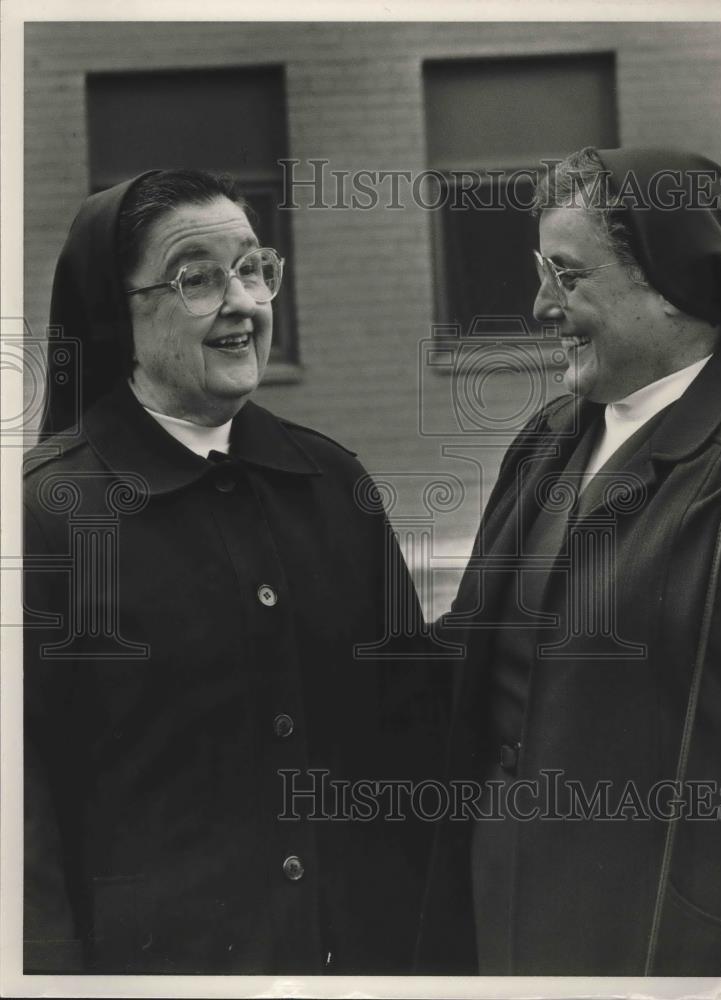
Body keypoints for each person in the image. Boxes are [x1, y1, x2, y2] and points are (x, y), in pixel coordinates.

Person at [23, 169, 438, 974]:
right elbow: (22, 814)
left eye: (252, 269)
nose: (242, 302)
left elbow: (409, 734)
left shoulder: (332, 482)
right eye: (199, 278)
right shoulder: (48, 516)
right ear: (120, 312)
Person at [418, 147, 721, 976]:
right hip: (495, 922)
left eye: (565, 275)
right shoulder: (547, 440)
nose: (539, 304)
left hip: (655, 951)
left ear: (675, 284)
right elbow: (468, 650)